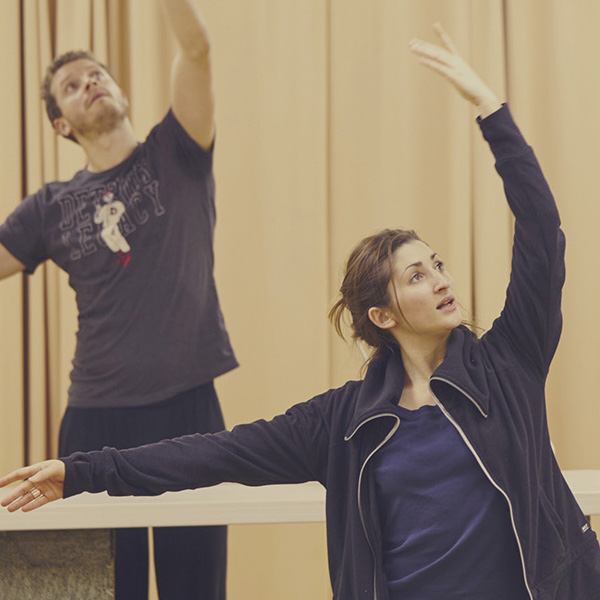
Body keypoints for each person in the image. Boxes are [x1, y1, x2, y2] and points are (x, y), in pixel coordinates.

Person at [3, 23, 600, 600]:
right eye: (417, 276)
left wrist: (491, 111)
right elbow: (210, 454)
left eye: (437, 264)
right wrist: (81, 472)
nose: (443, 280)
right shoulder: (343, 421)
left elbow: (541, 233)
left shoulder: (508, 366)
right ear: (382, 316)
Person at [0, 1, 236, 599]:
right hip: (94, 420)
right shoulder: (50, 206)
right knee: (102, 589)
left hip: (188, 411)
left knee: (195, 589)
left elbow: (197, 49)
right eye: (72, 86)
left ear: (120, 91)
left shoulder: (178, 151)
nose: (89, 84)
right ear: (62, 125)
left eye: (96, 74)